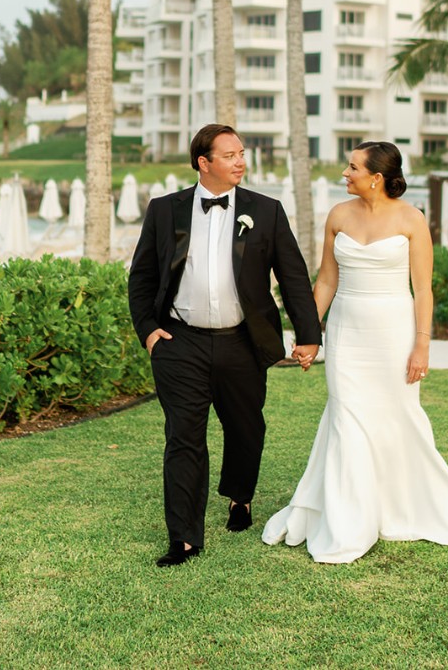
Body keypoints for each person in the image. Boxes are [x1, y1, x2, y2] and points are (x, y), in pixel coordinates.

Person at [261, 141, 448, 562]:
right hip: (347, 332)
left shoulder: (412, 220)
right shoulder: (338, 215)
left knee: (398, 418)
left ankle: (399, 506)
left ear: (376, 177)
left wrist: (422, 344)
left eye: (352, 167)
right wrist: (309, 335)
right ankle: (349, 521)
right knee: (346, 417)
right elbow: (326, 281)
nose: (345, 174)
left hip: (393, 333)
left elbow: (424, 289)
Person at [128, 124, 322, 567]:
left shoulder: (266, 210)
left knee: (245, 428)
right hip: (180, 342)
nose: (241, 161)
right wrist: (149, 331)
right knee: (183, 438)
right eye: (230, 155)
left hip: (242, 342)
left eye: (242, 153)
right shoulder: (164, 210)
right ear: (204, 162)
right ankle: (185, 538)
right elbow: (141, 277)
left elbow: (292, 277)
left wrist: (308, 335)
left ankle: (240, 496)